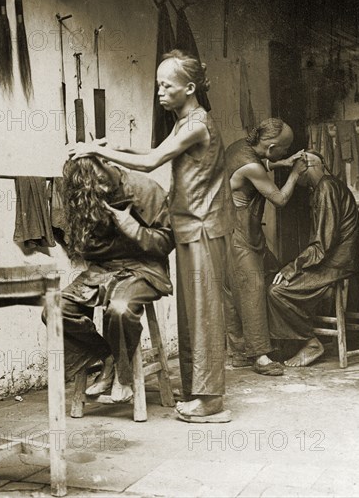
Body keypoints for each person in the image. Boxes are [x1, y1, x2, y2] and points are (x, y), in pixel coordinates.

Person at [69, 50, 234, 422]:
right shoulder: (183, 121)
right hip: (191, 228)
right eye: (158, 84)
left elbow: (151, 162)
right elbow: (152, 151)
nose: (159, 91)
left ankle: (212, 401)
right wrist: (114, 148)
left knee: (205, 312)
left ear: (189, 88)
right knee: (193, 313)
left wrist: (94, 148)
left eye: (167, 85)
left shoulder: (198, 124)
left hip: (204, 228)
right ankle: (197, 391)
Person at [52, 157, 174, 402]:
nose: (100, 191)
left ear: (107, 164)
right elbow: (84, 249)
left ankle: (123, 376)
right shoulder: (84, 197)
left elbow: (167, 241)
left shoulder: (145, 188)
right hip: (103, 270)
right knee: (55, 308)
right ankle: (109, 358)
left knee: (119, 309)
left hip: (145, 268)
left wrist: (132, 228)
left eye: (99, 183)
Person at [225, 118, 307, 376]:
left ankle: (239, 353)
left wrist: (280, 163)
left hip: (244, 230)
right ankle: (259, 356)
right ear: (270, 147)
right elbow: (280, 199)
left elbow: (259, 163)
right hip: (237, 232)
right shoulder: (252, 165)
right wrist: (294, 173)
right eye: (284, 149)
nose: (287, 151)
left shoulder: (242, 146)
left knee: (251, 282)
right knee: (252, 287)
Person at [267, 151, 359, 367]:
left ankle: (310, 343)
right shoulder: (328, 186)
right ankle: (303, 340)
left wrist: (292, 267)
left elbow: (322, 245)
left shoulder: (326, 187)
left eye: (297, 169)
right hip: (337, 261)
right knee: (279, 286)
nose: (295, 175)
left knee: (276, 291)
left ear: (307, 165)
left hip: (337, 265)